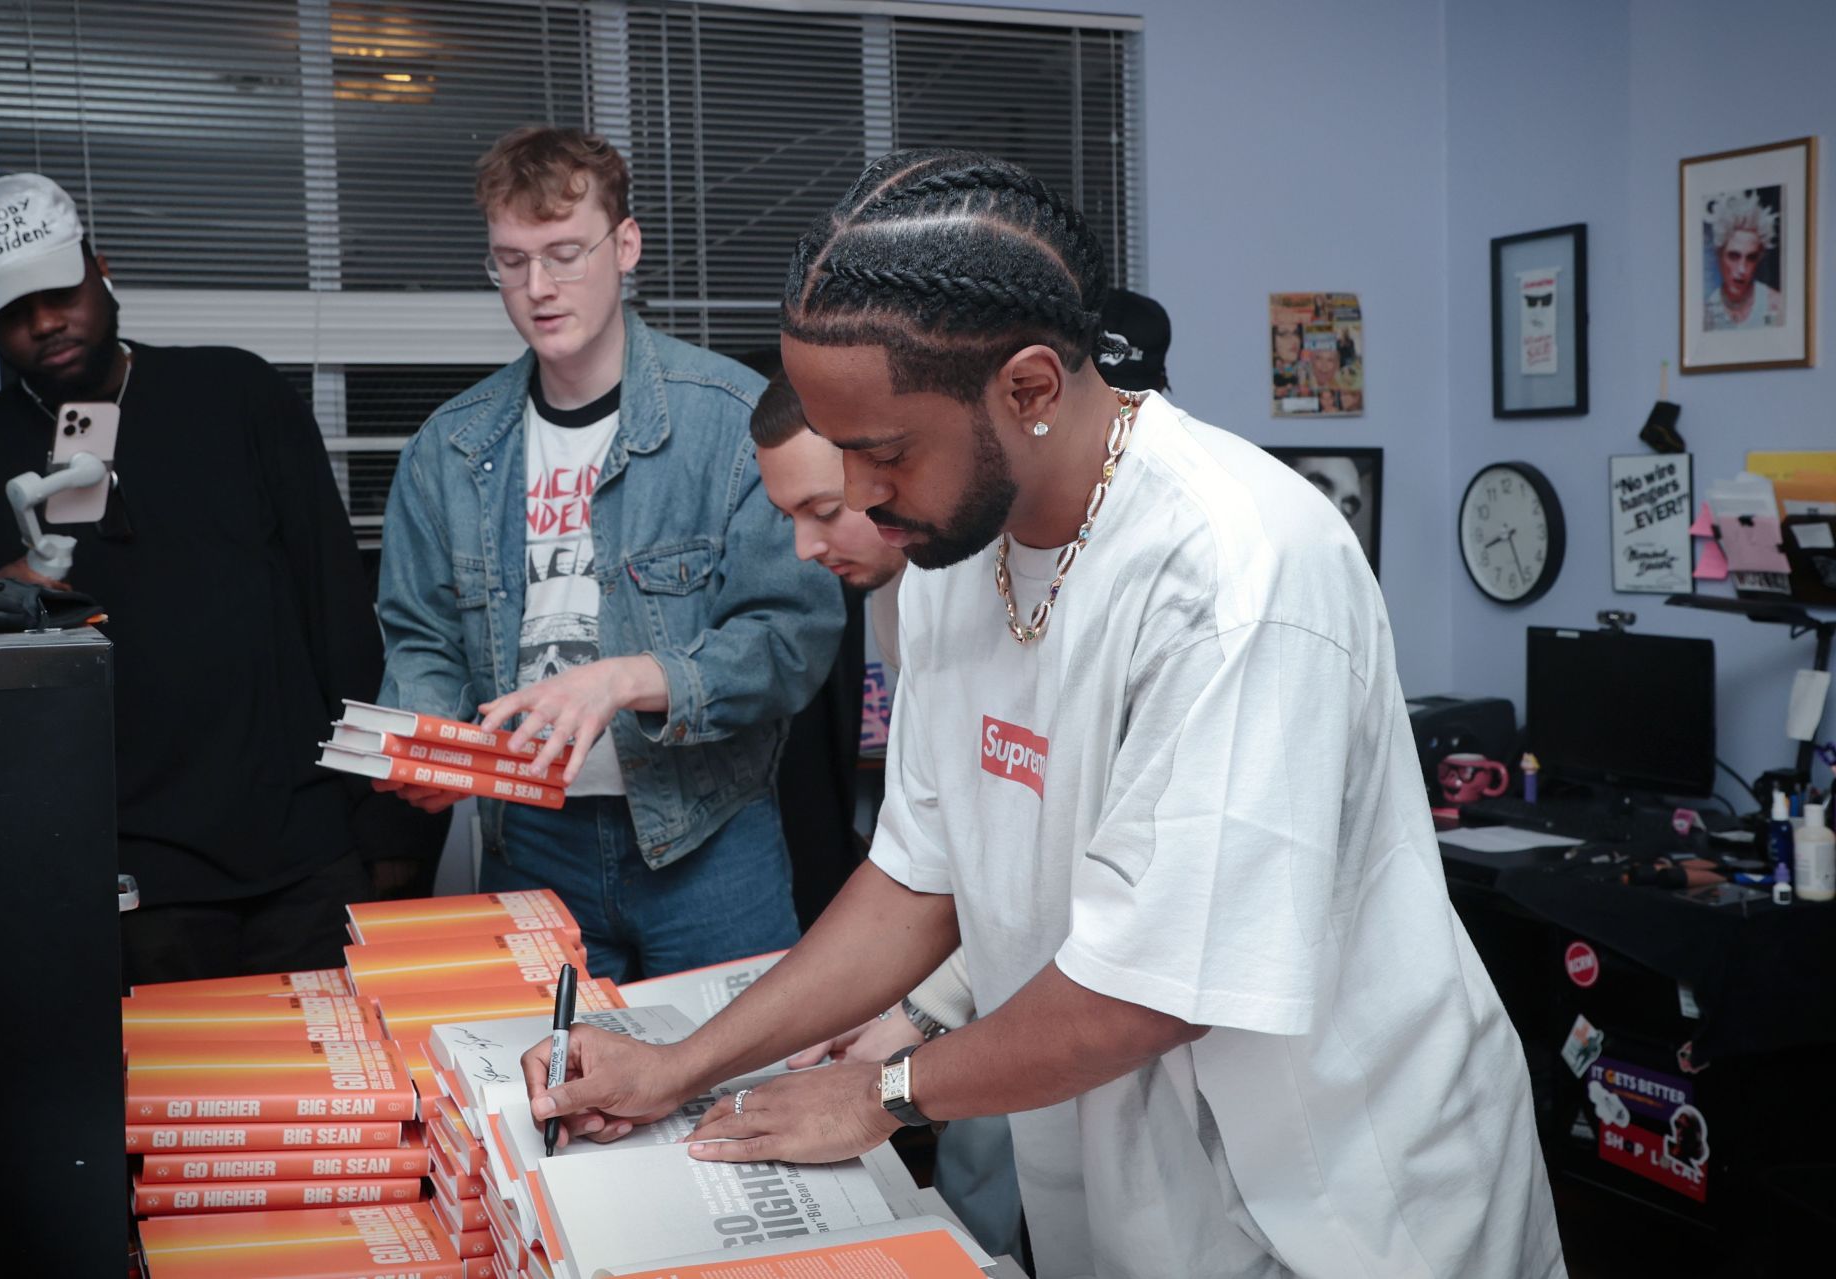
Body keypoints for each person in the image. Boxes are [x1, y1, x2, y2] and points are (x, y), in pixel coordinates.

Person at [519, 149, 1563, 1278]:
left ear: (1027, 389)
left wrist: (884, 1094)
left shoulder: (1238, 571)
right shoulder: (956, 553)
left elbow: (1150, 989)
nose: (861, 499)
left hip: (1344, 1201)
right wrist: (679, 1065)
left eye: (882, 453)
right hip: (1121, 1172)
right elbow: (917, 880)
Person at [0, 173, 446, 987]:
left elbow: (336, 607)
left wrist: (390, 834)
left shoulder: (237, 394)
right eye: (11, 312)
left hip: (306, 855)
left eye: (60, 292)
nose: (45, 323)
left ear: (103, 267)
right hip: (116, 883)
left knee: (347, 1105)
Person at [374, 127, 842, 982]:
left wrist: (628, 677)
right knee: (544, 1101)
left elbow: (790, 638)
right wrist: (431, 740)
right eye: (510, 262)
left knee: (740, 1100)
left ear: (625, 245)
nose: (538, 288)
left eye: (563, 253)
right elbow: (422, 636)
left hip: (710, 838)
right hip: (530, 841)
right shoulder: (448, 448)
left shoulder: (732, 420)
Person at [751, 371, 1023, 1260]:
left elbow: (1035, 863)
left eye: (824, 509)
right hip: (996, 970)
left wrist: (918, 1017)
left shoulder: (993, 588)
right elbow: (934, 854)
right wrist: (895, 1001)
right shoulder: (905, 600)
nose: (803, 547)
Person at [1703, 189, 1784, 331]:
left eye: (1751, 258)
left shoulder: (1776, 305)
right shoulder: (1706, 311)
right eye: (1733, 256)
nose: (1742, 269)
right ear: (1719, 255)